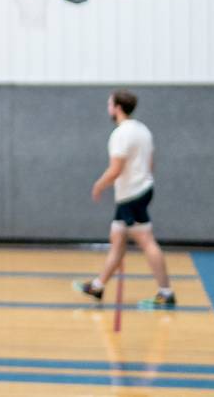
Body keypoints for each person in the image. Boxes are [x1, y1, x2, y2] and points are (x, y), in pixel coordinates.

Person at [73, 90, 176, 309]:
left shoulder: (121, 134)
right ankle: (98, 286)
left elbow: (116, 169)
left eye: (110, 104)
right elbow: (151, 164)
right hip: (139, 191)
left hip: (132, 195)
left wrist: (99, 185)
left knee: (146, 241)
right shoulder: (143, 130)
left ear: (118, 107)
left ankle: (166, 292)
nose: (108, 108)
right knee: (117, 238)